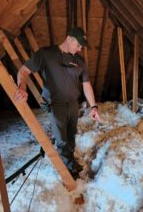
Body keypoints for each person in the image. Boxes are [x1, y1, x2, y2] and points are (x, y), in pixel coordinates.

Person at [15, 27, 100, 179]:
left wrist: (93, 106)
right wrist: (22, 87)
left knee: (71, 135)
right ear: (69, 39)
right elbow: (23, 71)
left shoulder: (80, 61)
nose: (80, 49)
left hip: (73, 103)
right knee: (61, 139)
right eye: (78, 45)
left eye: (81, 47)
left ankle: (70, 161)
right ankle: (68, 171)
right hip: (55, 103)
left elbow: (86, 84)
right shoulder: (46, 54)